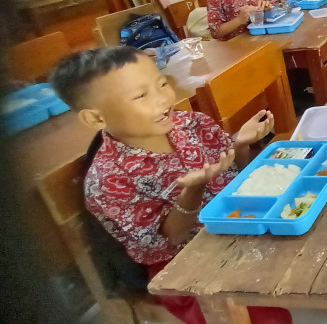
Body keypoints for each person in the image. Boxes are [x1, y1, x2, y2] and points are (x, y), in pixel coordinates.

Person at [49, 47, 291, 324]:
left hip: (236, 226)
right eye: (141, 95)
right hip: (185, 265)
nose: (164, 98)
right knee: (263, 317)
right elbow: (165, 244)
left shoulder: (192, 124)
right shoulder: (108, 181)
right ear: (96, 118)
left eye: (162, 83)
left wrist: (240, 144)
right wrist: (193, 191)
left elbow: (234, 175)